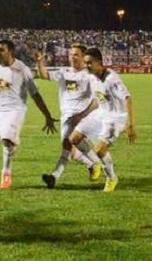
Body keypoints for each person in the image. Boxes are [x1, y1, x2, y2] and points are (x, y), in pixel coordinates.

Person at [0, 39, 58, 191]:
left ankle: (6, 173)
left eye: (2, 50)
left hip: (15, 110)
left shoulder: (22, 69)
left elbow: (35, 94)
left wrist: (47, 115)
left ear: (10, 52)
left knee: (6, 140)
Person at [34, 42, 103, 189]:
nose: (72, 57)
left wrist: (83, 114)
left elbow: (97, 101)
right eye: (71, 54)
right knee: (70, 150)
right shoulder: (64, 72)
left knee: (68, 144)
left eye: (76, 54)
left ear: (84, 57)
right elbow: (44, 75)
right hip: (66, 116)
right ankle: (92, 164)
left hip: (81, 117)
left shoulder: (89, 75)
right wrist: (40, 62)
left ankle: (55, 176)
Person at [72, 47, 136, 192]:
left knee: (100, 149)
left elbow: (127, 98)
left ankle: (112, 178)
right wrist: (83, 114)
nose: (87, 66)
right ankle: (95, 164)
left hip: (115, 117)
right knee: (74, 138)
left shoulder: (111, 79)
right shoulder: (92, 76)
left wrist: (130, 125)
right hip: (100, 113)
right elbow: (98, 100)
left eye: (90, 63)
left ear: (99, 62)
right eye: (86, 63)